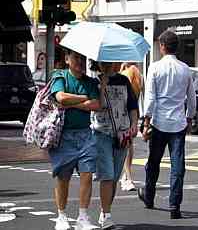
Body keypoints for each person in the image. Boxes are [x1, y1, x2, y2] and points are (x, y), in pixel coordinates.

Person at [138, 30, 196, 219]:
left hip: (159, 122)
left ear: (162, 46)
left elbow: (151, 97)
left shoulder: (155, 67)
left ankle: (149, 196)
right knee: (177, 166)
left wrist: (146, 120)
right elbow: (191, 97)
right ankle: (174, 205)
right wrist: (189, 118)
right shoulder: (185, 68)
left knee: (153, 163)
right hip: (178, 123)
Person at [49, 50, 101, 230]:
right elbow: (60, 97)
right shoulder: (60, 76)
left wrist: (72, 103)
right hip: (64, 135)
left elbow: (96, 104)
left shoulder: (90, 81)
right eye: (75, 57)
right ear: (66, 59)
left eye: (82, 58)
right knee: (63, 177)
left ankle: (83, 217)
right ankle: (61, 216)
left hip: (86, 134)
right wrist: (84, 100)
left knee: (87, 175)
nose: (80, 61)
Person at [91, 62, 139, 229]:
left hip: (122, 134)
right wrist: (102, 85)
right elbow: (98, 105)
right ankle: (106, 215)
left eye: (110, 61)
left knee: (115, 176)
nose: (107, 65)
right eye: (104, 62)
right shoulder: (93, 81)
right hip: (101, 133)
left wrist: (134, 124)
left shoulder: (124, 81)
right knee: (107, 174)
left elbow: (132, 105)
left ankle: (105, 210)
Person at [119, 62, 143, 191]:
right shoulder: (139, 76)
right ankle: (126, 176)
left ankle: (127, 177)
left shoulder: (123, 75)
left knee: (124, 146)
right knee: (128, 145)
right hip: (132, 114)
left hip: (121, 115)